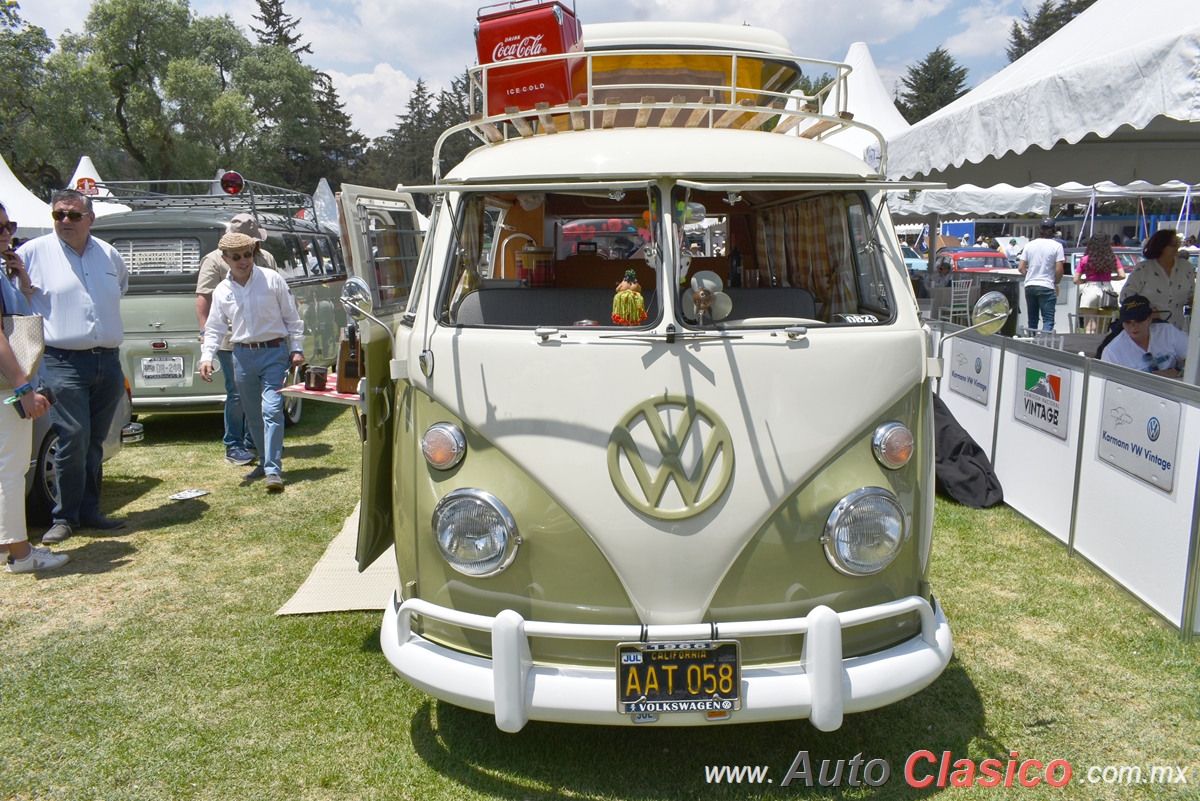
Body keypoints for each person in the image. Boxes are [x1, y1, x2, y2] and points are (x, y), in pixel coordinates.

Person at [18, 189, 128, 545]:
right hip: (62, 360)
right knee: (73, 435)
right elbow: (17, 296)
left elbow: (120, 289)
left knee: (95, 439)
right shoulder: (32, 253)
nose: (65, 221)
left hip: (107, 361)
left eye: (74, 215)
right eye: (59, 215)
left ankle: (90, 511)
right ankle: (64, 517)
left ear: (90, 219)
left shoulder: (109, 254)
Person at [199, 233, 304, 492]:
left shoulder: (272, 279)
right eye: (236, 257)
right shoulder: (223, 290)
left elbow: (292, 317)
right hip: (242, 355)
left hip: (274, 352)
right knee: (254, 415)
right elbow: (214, 327)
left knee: (271, 409)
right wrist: (206, 356)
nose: (243, 260)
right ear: (225, 259)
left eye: (248, 254)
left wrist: (297, 348)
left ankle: (273, 470)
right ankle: (264, 463)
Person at [0, 201, 66, 572]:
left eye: (10, 225)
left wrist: (21, 281)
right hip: (5, 386)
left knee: (6, 467)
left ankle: (6, 546)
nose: (8, 233)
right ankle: (22, 553)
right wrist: (24, 389)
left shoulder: (3, 272)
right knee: (10, 469)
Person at [195, 213, 278, 467]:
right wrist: (205, 336)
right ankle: (234, 444)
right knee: (236, 394)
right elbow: (204, 298)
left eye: (251, 246)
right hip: (231, 339)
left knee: (263, 397)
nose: (246, 254)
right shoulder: (213, 260)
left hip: (265, 338)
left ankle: (257, 442)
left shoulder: (266, 259)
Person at [1120, 229, 1195, 334]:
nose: (1177, 246)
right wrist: (1146, 309)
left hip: (1177, 328)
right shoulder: (1144, 268)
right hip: (1146, 329)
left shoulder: (1186, 267)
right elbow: (1126, 295)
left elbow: (1192, 294)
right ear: (1161, 246)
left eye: (1178, 243)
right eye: (1173, 243)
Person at [1099, 294, 1188, 378]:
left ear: (1150, 318)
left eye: (1139, 321)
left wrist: (1176, 371)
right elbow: (1105, 384)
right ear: (1122, 323)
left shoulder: (1167, 332)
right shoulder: (1112, 351)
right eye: (1128, 322)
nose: (1133, 327)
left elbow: (1196, 359)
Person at [1072, 233, 1126, 333]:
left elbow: (1076, 280)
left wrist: (1086, 280)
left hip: (1090, 290)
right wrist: (1110, 278)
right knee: (1104, 326)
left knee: (1089, 325)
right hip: (1107, 291)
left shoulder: (1085, 259)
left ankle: (1089, 347)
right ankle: (1101, 347)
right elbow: (1122, 275)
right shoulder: (1112, 258)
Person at [1017, 220, 1064, 332]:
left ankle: (1031, 342)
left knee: (1032, 319)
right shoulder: (1057, 246)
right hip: (1046, 285)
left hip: (1030, 284)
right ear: (1054, 230)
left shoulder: (1029, 245)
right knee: (1048, 319)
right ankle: (1043, 344)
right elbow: (1059, 269)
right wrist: (1055, 282)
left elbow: (1021, 267)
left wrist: (1029, 276)